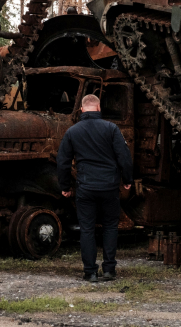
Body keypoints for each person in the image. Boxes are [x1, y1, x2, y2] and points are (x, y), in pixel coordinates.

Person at [57, 94, 133, 282]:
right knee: (109, 227)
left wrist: (65, 186)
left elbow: (63, 162)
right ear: (99, 108)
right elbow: (124, 156)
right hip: (109, 187)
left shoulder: (72, 132)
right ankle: (109, 270)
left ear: (82, 110)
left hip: (85, 187)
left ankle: (90, 272)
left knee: (87, 229)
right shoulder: (111, 129)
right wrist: (127, 179)